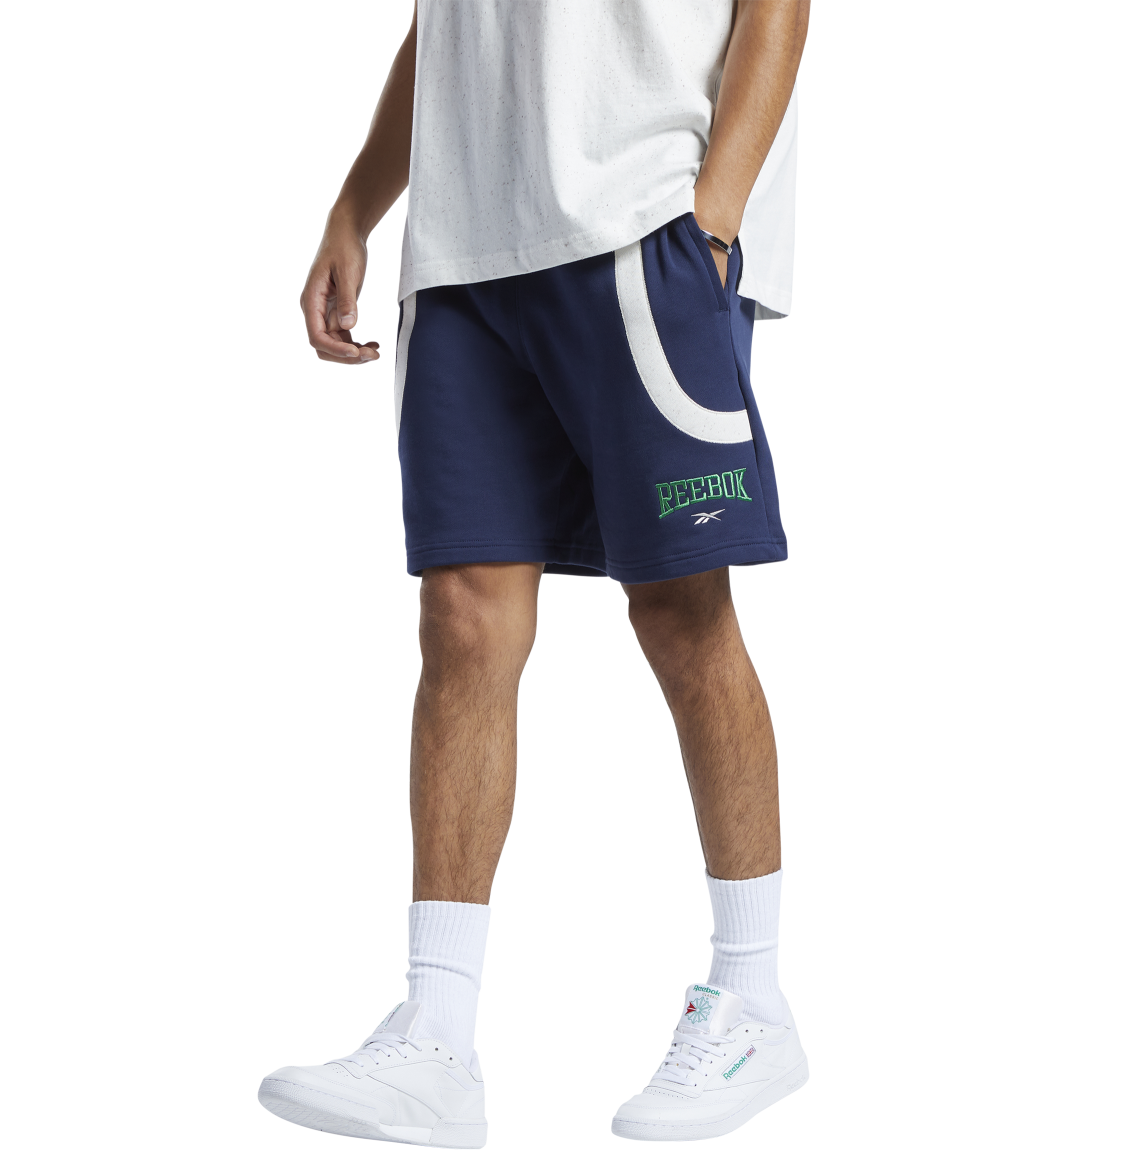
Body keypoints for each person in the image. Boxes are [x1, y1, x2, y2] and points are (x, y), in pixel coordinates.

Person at [258, 0, 810, 1148]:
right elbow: (445, 22)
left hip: (642, 212)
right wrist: (356, 206)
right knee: (461, 619)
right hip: (464, 247)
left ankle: (753, 999)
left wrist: (713, 220)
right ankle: (434, 1037)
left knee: (680, 607)